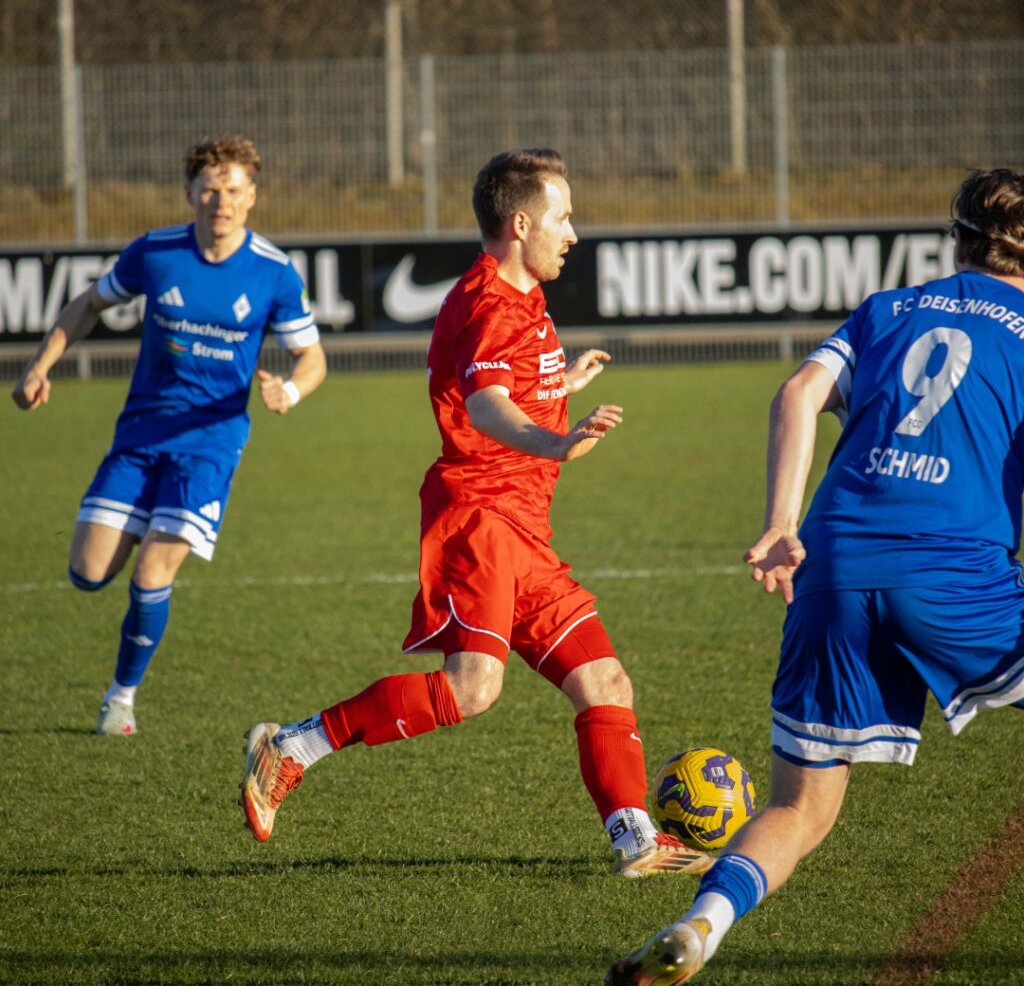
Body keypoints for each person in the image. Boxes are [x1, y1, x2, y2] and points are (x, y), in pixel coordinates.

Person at [239, 148, 710, 877]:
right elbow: (489, 408)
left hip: (526, 528)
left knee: (607, 683)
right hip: (481, 520)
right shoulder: (491, 301)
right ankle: (292, 746)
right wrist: (557, 437)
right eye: (563, 218)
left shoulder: (523, 298)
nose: (574, 234)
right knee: (472, 688)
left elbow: (516, 398)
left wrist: (562, 393)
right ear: (521, 223)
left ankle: (636, 839)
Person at [606, 167, 1024, 984]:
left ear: (957, 238)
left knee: (799, 807)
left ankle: (700, 924)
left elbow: (800, 390)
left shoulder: (889, 309)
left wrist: (779, 523)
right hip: (953, 570)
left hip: (832, 563)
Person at [11, 135, 326, 736]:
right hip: (139, 434)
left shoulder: (274, 272)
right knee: (87, 572)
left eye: (233, 190)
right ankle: (130, 527)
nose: (220, 201)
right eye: (209, 189)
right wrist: (40, 364)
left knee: (153, 573)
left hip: (211, 443)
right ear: (189, 194)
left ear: (251, 197)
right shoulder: (155, 253)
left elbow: (312, 357)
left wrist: (291, 390)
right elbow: (87, 304)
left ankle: (120, 699)